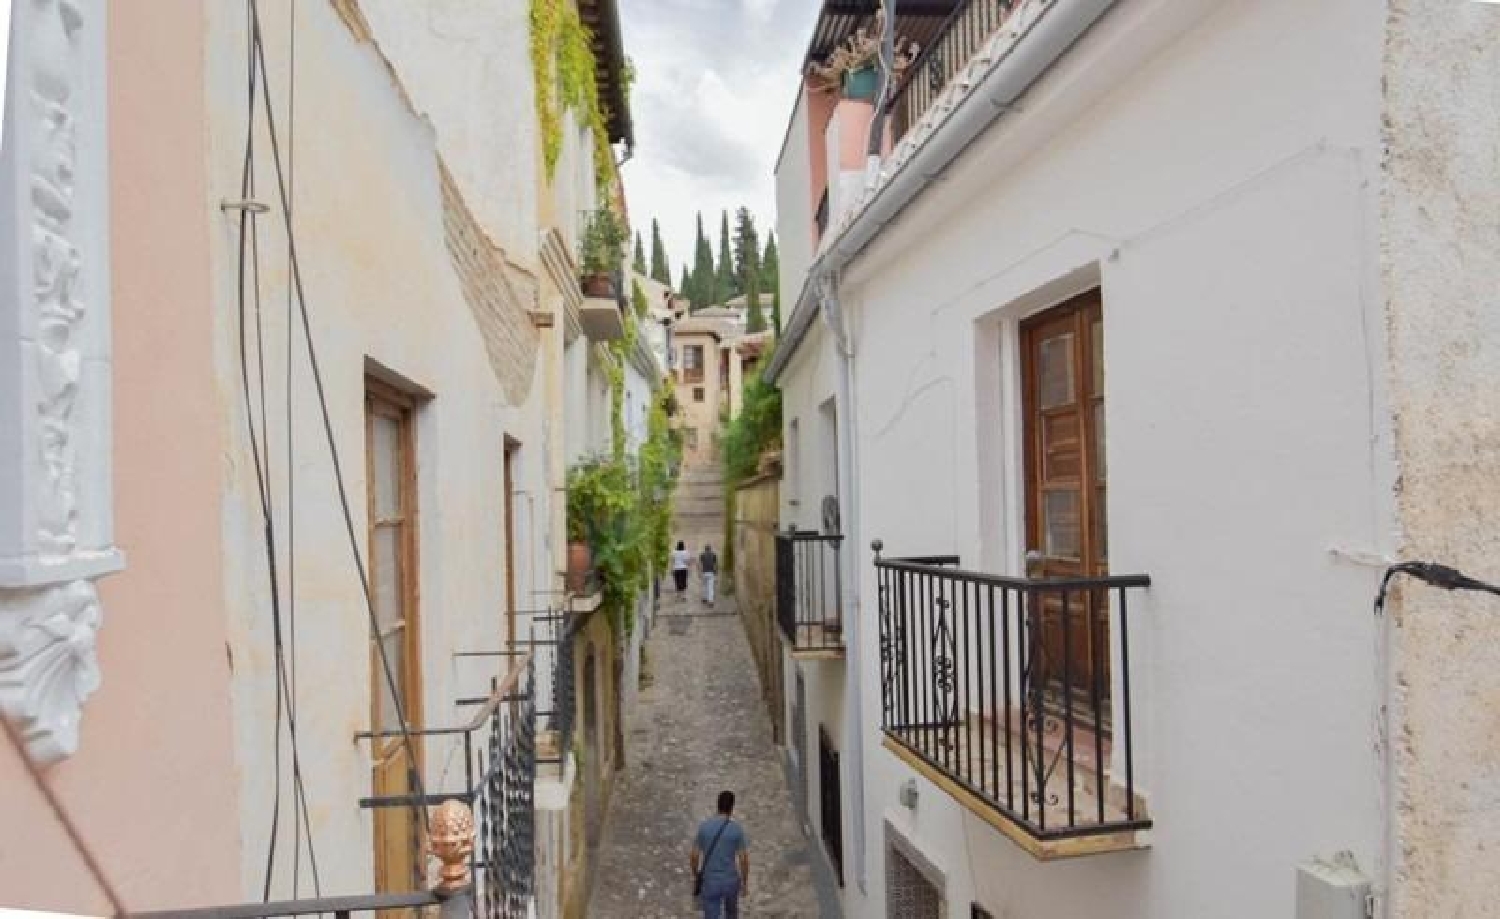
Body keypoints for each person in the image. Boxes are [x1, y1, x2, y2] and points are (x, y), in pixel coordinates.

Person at [691, 791, 748, 918]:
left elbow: (694, 856)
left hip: (710, 881)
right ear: (732, 807)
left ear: (717, 805)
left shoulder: (704, 827)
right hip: (730, 880)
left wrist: (696, 874)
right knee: (732, 913)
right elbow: (743, 859)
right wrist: (745, 882)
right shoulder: (736, 829)